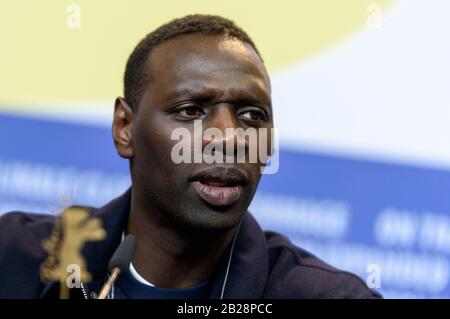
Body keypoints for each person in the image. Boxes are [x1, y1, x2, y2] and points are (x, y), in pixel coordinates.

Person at [0, 14, 381, 299]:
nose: (229, 137)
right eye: (191, 111)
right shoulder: (14, 258)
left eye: (252, 116)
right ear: (124, 128)